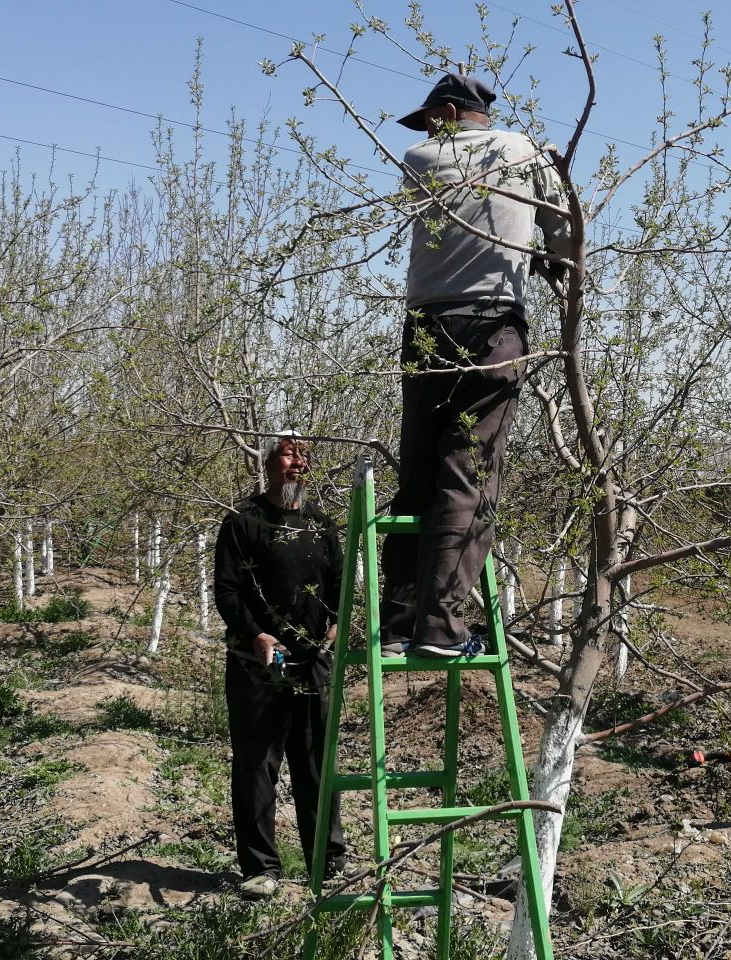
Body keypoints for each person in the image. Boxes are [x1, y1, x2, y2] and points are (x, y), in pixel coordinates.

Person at [380, 73, 573, 658]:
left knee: (418, 466)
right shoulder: (524, 150)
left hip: (424, 325)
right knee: (468, 471)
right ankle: (441, 628)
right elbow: (564, 234)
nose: (426, 129)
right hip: (491, 326)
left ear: (446, 111)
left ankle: (397, 623)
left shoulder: (418, 157)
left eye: (430, 118)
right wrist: (550, 243)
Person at [213, 433, 346, 899]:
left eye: (304, 455)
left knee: (316, 763)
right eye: (289, 453)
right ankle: (260, 868)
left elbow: (340, 587)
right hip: (257, 664)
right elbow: (227, 591)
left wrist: (333, 629)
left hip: (312, 663)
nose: (298, 462)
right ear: (268, 463)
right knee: (256, 766)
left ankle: (327, 864)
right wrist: (257, 635)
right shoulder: (244, 522)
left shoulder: (321, 526)